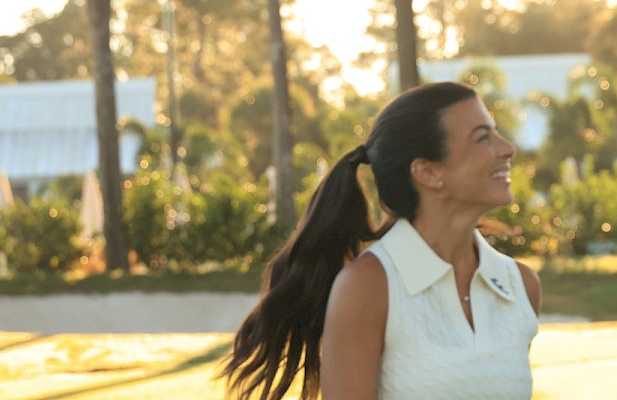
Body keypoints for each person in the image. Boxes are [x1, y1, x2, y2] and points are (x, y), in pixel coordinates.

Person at [221, 82, 541, 400]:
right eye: (483, 137)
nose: (507, 148)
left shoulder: (521, 286)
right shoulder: (368, 288)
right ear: (428, 172)